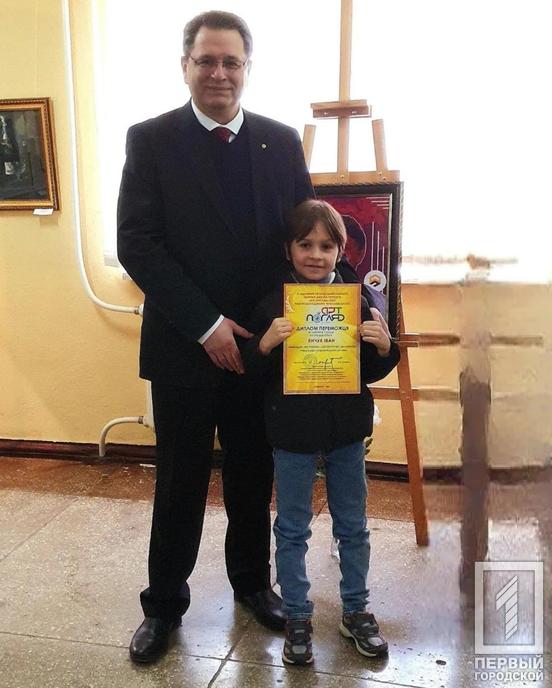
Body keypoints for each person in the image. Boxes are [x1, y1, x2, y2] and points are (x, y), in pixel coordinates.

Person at [117, 10, 314, 664]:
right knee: (179, 482)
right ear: (185, 66)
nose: (219, 73)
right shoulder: (150, 140)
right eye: (206, 60)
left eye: (232, 62)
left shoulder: (282, 142)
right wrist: (207, 324)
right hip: (183, 345)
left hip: (259, 347)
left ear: (248, 68)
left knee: (253, 475)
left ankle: (253, 584)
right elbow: (137, 244)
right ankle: (163, 605)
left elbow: (301, 244)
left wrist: (274, 327)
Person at [241, 200, 400, 665]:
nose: (315, 254)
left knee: (353, 526)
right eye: (305, 244)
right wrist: (264, 345)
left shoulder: (360, 299)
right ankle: (296, 615)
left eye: (326, 246)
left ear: (340, 251)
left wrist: (384, 347)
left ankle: (356, 611)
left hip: (346, 432)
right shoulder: (272, 303)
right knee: (292, 528)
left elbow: (372, 369)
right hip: (291, 434)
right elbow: (249, 372)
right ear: (288, 250)